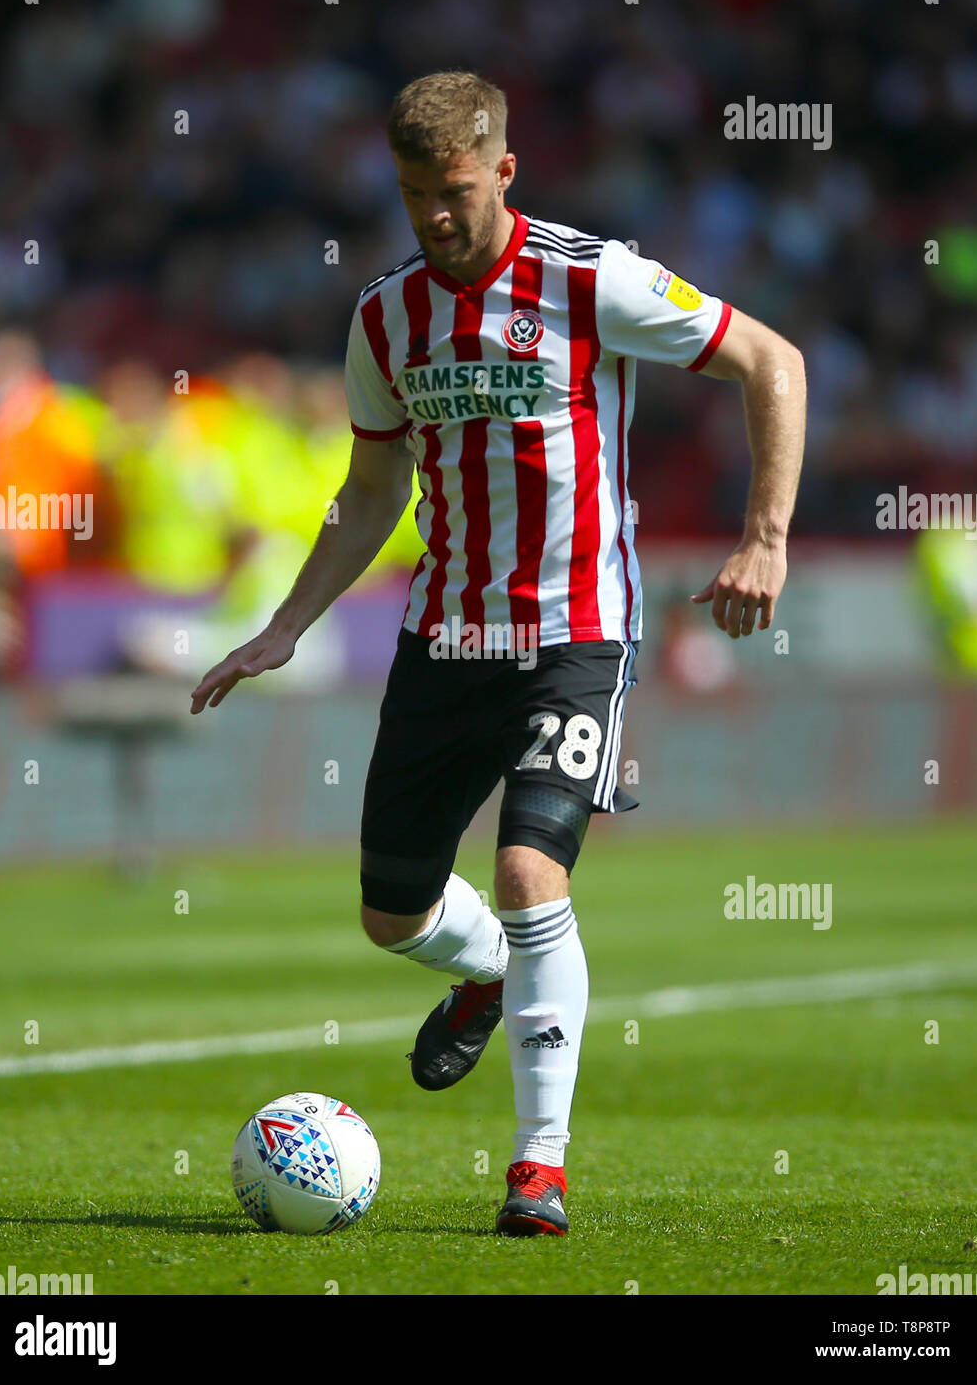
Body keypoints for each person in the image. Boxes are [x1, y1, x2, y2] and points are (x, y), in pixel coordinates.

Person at [191, 71, 805, 1236]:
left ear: (504, 172)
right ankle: (485, 975)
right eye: (415, 192)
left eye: (456, 190)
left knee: (530, 874)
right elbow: (370, 488)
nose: (434, 214)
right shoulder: (385, 317)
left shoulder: (588, 277)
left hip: (575, 633)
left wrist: (764, 537)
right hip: (446, 635)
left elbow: (774, 363)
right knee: (391, 912)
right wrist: (285, 624)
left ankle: (539, 1167)